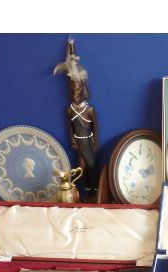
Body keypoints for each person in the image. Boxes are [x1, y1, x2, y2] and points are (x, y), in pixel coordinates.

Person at [54, 38, 98, 201]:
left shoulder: (89, 110)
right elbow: (69, 127)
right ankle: (85, 190)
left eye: (77, 91)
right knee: (81, 167)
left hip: (89, 142)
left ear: (82, 91)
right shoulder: (69, 110)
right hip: (79, 143)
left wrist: (96, 143)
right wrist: (73, 139)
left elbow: (95, 128)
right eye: (72, 92)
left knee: (92, 166)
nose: (75, 95)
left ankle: (94, 189)